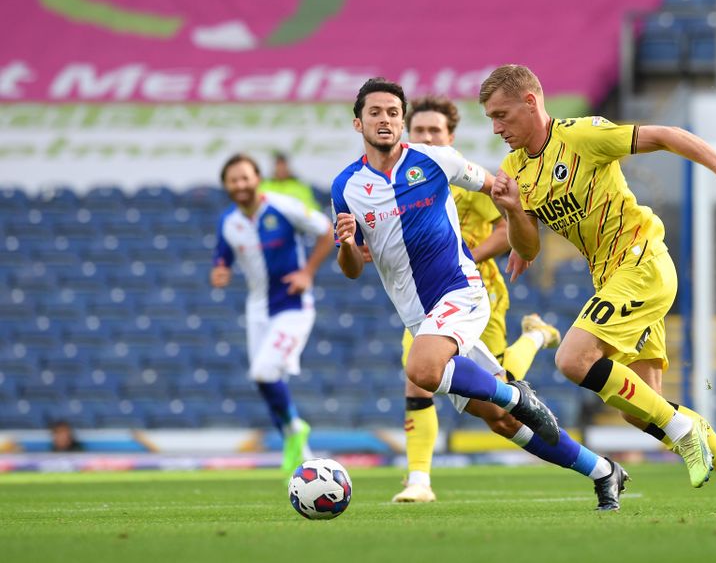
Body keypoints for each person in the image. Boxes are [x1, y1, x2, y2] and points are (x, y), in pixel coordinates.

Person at [482, 64, 716, 514]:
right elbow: (530, 245)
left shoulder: (582, 136)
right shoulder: (515, 169)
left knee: (573, 359)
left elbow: (667, 134)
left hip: (641, 262)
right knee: (639, 408)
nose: (497, 128)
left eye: (502, 115)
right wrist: (516, 216)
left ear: (530, 101)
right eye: (490, 119)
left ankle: (682, 430)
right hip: (611, 277)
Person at [332, 78, 628, 511]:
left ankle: (515, 393)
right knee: (502, 422)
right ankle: (603, 471)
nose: (385, 120)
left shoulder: (435, 161)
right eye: (376, 112)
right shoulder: (347, 187)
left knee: (423, 370)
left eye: (394, 113)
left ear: (402, 121)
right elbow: (354, 268)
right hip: (418, 315)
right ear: (358, 122)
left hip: (462, 292)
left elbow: (504, 193)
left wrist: (521, 237)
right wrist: (344, 246)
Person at [392, 95, 562, 503]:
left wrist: (467, 253)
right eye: (420, 131)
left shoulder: (466, 179)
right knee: (417, 378)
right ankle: (419, 480)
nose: (427, 137)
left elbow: (512, 222)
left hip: (475, 292)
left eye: (435, 131)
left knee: (499, 395)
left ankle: (535, 337)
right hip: (426, 297)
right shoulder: (399, 182)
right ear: (408, 136)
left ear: (450, 137)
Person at [211, 153, 335, 475]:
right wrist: (219, 271)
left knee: (264, 373)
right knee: (265, 379)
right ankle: (303, 459)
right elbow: (221, 258)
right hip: (257, 310)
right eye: (233, 179)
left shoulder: (282, 206)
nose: (240, 184)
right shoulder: (229, 221)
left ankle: (295, 430)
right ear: (226, 185)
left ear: (257, 179)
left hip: (292, 306)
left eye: (245, 177)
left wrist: (307, 272)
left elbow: (327, 230)